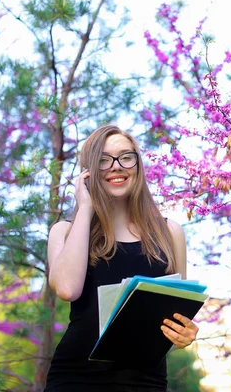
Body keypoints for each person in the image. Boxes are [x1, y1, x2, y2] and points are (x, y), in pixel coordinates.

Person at [44, 124, 199, 391]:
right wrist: (86, 208)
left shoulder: (169, 233)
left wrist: (184, 333)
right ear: (88, 172)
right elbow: (68, 289)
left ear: (137, 165)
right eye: (103, 160)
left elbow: (173, 317)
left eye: (126, 157)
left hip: (145, 382)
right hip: (75, 378)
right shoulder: (65, 231)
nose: (116, 166)